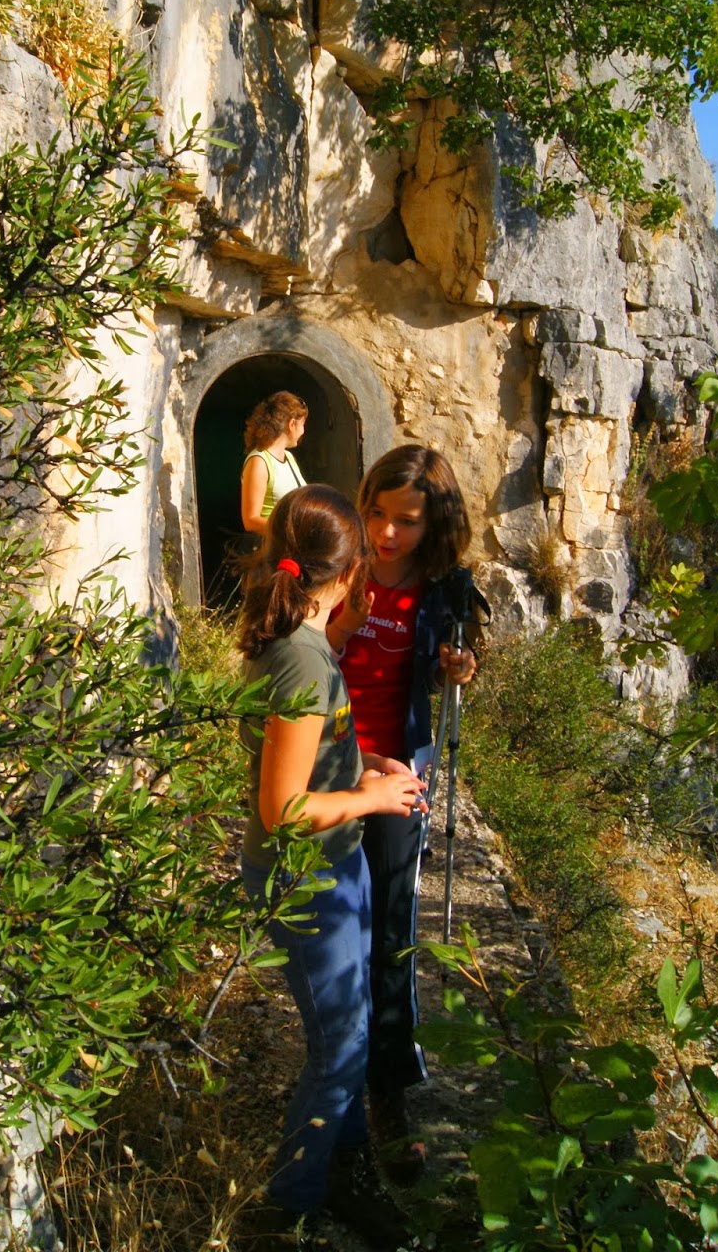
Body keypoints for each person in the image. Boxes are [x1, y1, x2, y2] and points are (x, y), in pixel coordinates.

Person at [237, 484, 421, 1252]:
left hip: (334, 867)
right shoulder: (303, 663)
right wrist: (371, 799)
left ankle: (345, 1172)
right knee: (340, 1043)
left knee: (343, 1036)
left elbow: (308, 758)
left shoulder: (300, 644)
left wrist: (360, 761)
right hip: (305, 876)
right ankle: (291, 1203)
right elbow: (281, 809)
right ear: (348, 577)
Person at [326, 446, 477, 1182]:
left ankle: (388, 1096)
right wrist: (341, 622)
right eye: (378, 514)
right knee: (330, 932)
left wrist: (456, 667)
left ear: (435, 520)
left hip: (400, 773)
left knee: (390, 931)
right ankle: (334, 1093)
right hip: (330, 765)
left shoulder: (443, 587)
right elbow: (295, 655)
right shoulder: (338, 565)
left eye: (406, 521)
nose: (386, 533)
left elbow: (451, 657)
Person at [240, 391, 308, 536]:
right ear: (291, 424)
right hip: (272, 549)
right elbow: (250, 520)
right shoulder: (259, 461)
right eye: (302, 425)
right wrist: (292, 531)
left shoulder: (288, 457)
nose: (303, 431)